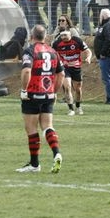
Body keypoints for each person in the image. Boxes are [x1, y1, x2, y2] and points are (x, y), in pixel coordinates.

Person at [16, 24, 64, 174]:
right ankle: (57, 153)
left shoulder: (30, 51)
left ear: (32, 36)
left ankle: (35, 164)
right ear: (45, 37)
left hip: (32, 94)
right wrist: (54, 91)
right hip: (48, 94)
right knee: (47, 126)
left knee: (31, 128)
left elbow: (26, 71)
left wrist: (24, 90)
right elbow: (61, 74)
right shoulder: (53, 51)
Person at [51, 29, 92, 116]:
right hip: (65, 68)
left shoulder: (77, 41)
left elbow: (88, 51)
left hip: (76, 68)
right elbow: (52, 54)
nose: (63, 37)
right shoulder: (57, 43)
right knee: (67, 87)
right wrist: (58, 63)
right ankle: (71, 109)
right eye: (62, 35)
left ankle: (78, 106)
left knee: (78, 89)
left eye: (65, 35)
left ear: (70, 34)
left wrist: (88, 57)